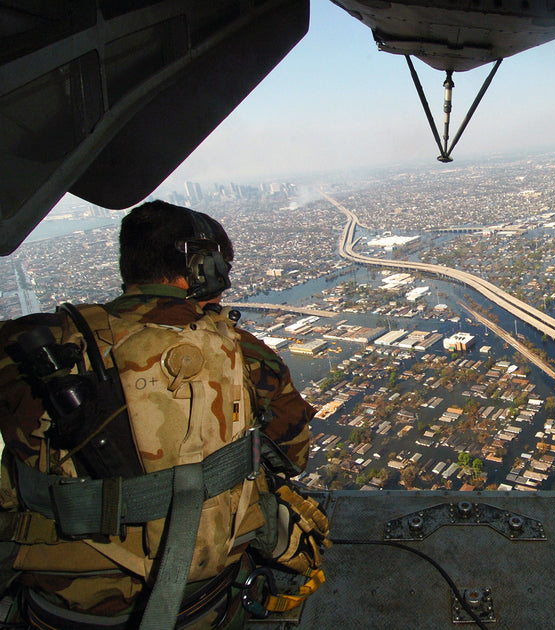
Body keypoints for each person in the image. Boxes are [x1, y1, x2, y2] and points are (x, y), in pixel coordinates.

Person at [0, 201, 318, 628]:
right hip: (201, 604)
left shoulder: (22, 349)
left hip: (56, 607)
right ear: (203, 267)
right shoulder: (242, 353)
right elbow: (293, 456)